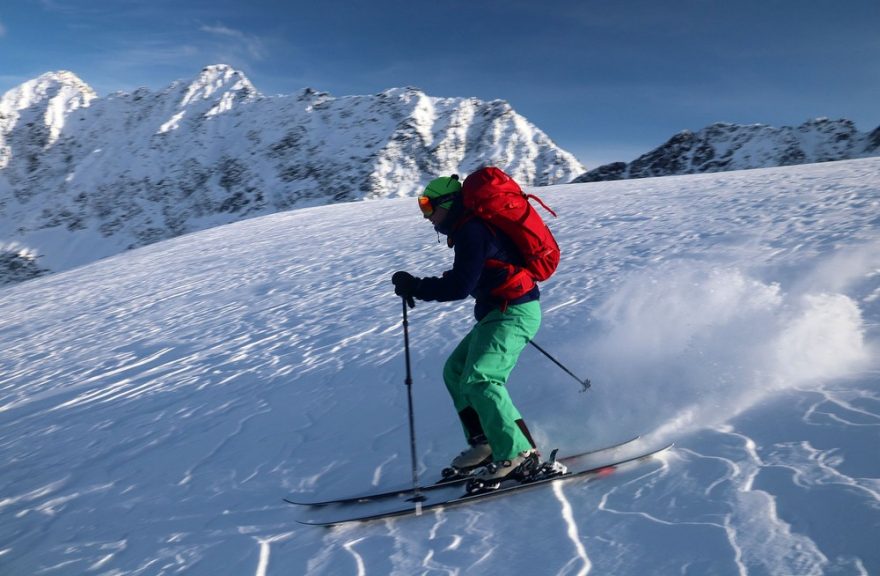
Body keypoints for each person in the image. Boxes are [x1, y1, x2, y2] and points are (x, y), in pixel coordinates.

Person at [391, 173, 542, 486]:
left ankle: (518, 453)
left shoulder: (473, 231)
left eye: (429, 206)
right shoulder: (467, 231)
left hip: (513, 312)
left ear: (449, 203)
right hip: (498, 312)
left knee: (481, 378)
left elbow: (460, 286)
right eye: (423, 206)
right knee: (456, 371)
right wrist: (418, 286)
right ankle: (486, 444)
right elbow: (468, 276)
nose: (427, 215)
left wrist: (417, 286)